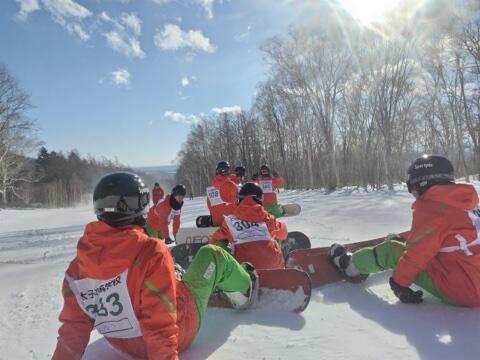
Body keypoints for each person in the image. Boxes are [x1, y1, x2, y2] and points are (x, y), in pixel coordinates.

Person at [52, 172, 258, 360]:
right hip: (180, 331)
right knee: (212, 254)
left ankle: (177, 278)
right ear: (139, 204)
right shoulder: (150, 251)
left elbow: (73, 330)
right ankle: (245, 289)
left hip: (123, 346)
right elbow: (160, 327)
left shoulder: (77, 268)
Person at [329, 155, 480, 306]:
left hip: (465, 290)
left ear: (423, 183)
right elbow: (445, 237)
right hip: (469, 273)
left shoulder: (433, 208)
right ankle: (400, 246)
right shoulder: (464, 203)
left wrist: (399, 283)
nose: (412, 193)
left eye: (411, 186)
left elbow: (417, 254)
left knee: (390, 250)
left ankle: (351, 266)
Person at [209, 182, 288, 270]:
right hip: (273, 269)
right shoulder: (267, 218)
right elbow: (284, 234)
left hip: (245, 271)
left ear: (239, 199)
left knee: (221, 243)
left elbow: (214, 240)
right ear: (259, 199)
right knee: (275, 238)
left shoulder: (230, 221)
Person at [206, 161, 238, 226]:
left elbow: (209, 205)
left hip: (216, 221)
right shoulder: (231, 185)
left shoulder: (210, 186)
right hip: (230, 223)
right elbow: (236, 204)